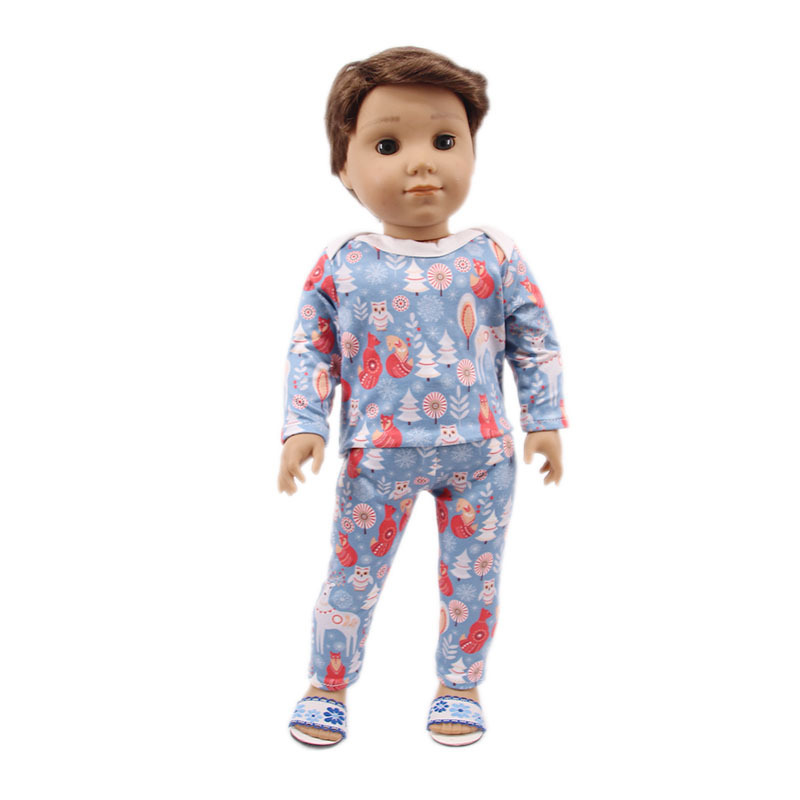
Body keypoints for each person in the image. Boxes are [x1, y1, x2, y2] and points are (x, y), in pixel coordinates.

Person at [279, 46, 567, 747]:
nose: (421, 163)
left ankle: (460, 683)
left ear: (472, 151)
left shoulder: (494, 255)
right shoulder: (345, 262)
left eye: (444, 141)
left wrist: (544, 418)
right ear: (344, 167)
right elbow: (311, 347)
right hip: (379, 453)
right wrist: (304, 423)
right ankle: (327, 683)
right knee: (353, 572)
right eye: (388, 145)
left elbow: (534, 340)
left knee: (475, 577)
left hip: (482, 453)